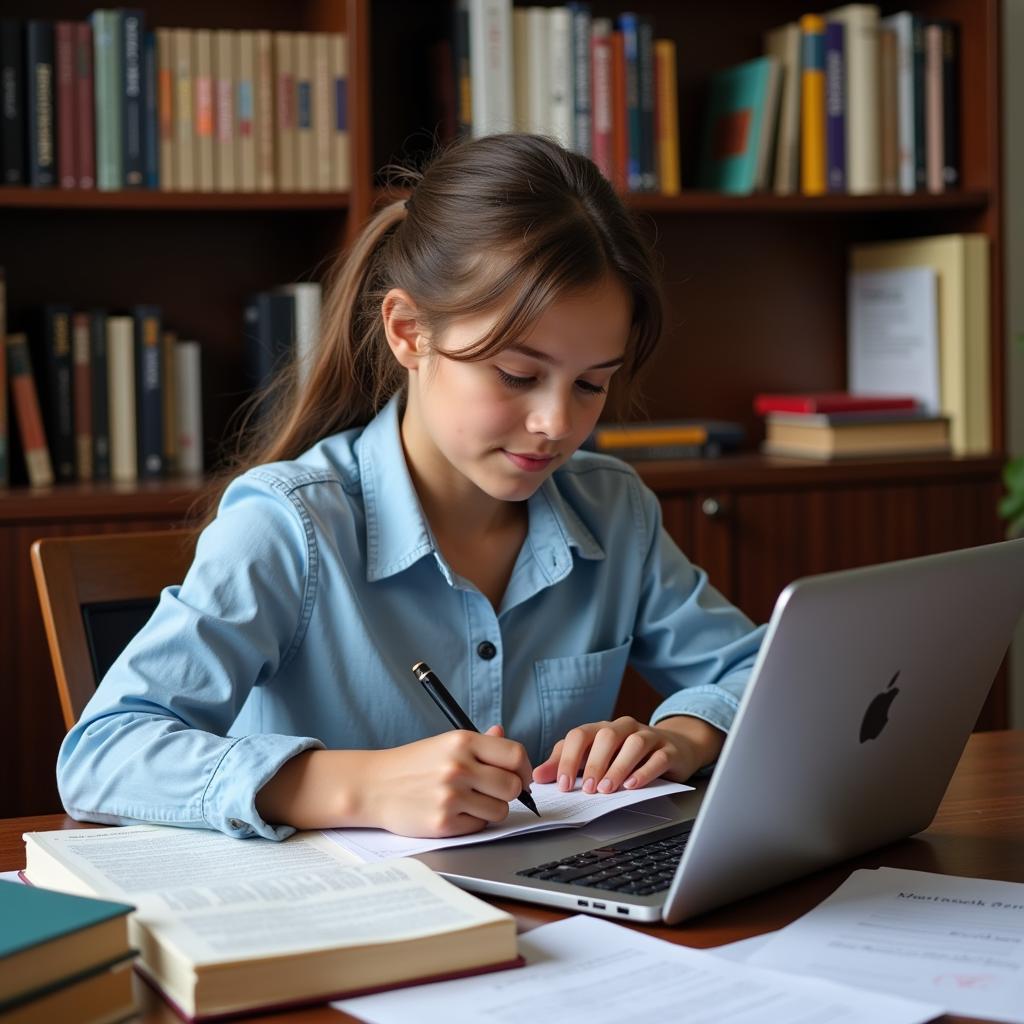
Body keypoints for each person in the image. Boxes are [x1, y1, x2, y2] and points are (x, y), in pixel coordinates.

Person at [57, 134, 765, 842]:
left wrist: (684, 735)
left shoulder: (614, 512)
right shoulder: (288, 526)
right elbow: (102, 755)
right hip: (338, 928)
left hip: (558, 919)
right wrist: (357, 786)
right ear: (408, 332)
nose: (555, 423)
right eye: (518, 375)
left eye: (590, 384)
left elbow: (761, 671)